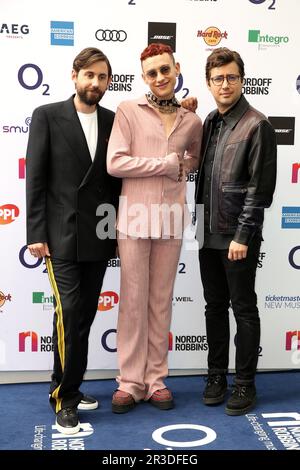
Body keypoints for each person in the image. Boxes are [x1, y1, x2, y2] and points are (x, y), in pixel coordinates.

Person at [26, 47, 121, 434]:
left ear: (108, 82)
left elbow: (116, 183)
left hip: (98, 235)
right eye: (89, 75)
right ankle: (66, 398)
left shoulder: (115, 120)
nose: (95, 83)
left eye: (102, 77)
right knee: (68, 313)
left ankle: (62, 383)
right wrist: (35, 233)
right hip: (60, 236)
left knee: (79, 318)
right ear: (75, 76)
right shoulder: (48, 116)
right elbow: (35, 177)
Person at [107, 43, 202, 413]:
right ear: (143, 76)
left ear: (177, 68)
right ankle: (130, 382)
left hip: (171, 221)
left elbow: (193, 158)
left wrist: (182, 164)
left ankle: (156, 380)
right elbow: (116, 163)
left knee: (160, 303)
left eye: (165, 70)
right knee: (132, 304)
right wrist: (163, 164)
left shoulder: (191, 119)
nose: (160, 78)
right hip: (133, 221)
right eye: (152, 73)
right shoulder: (128, 111)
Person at [195, 47, 277, 415]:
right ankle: (216, 376)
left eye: (231, 77)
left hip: (237, 237)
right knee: (214, 307)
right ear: (209, 83)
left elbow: (260, 190)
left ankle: (244, 384)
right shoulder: (210, 120)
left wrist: (243, 236)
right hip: (207, 232)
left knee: (243, 308)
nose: (224, 84)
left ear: (242, 80)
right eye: (218, 78)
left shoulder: (257, 125)